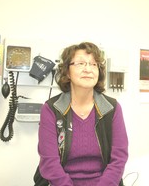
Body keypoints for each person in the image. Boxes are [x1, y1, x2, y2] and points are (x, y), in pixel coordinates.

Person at [35, 42, 128, 186]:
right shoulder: (51, 109)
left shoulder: (112, 108)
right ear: (67, 72)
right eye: (80, 63)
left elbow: (119, 160)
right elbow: (49, 163)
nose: (88, 69)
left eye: (93, 64)